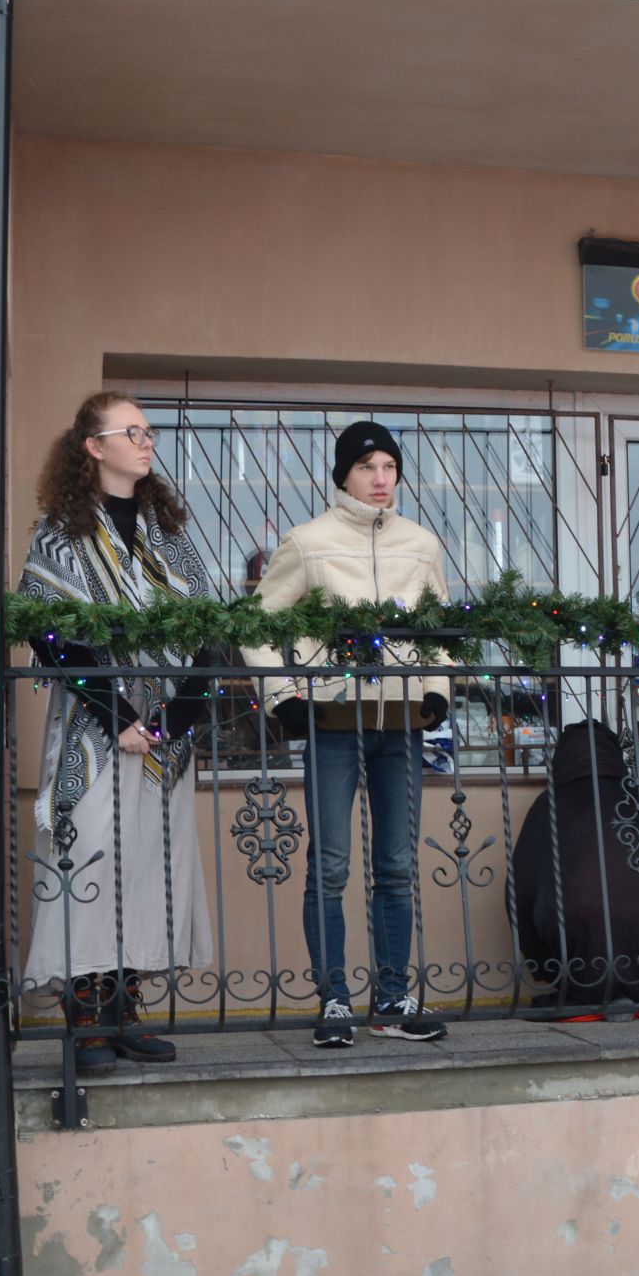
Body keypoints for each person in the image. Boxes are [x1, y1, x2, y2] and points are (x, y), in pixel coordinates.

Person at [18, 391, 216, 1071]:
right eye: (131, 431)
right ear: (93, 447)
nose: (146, 441)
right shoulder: (60, 534)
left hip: (166, 740)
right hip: (93, 734)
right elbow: (51, 636)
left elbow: (210, 631)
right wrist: (120, 719)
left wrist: (175, 717)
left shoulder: (170, 534)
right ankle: (86, 1018)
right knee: (91, 863)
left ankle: (125, 1009)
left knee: (149, 869)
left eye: (148, 430)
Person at [245, 420, 453, 1048]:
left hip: (401, 723)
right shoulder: (307, 541)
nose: (380, 478)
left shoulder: (421, 543)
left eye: (389, 466)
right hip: (333, 723)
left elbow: (439, 628)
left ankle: (391, 999)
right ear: (343, 475)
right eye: (367, 466)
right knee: (330, 866)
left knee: (396, 866)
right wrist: (283, 697)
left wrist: (438, 690)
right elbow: (256, 624)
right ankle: (334, 1000)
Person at [511, 719, 639, 1015]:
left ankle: (588, 987)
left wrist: (541, 964)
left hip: (579, 940)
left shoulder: (550, 804)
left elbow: (521, 887)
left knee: (569, 904)